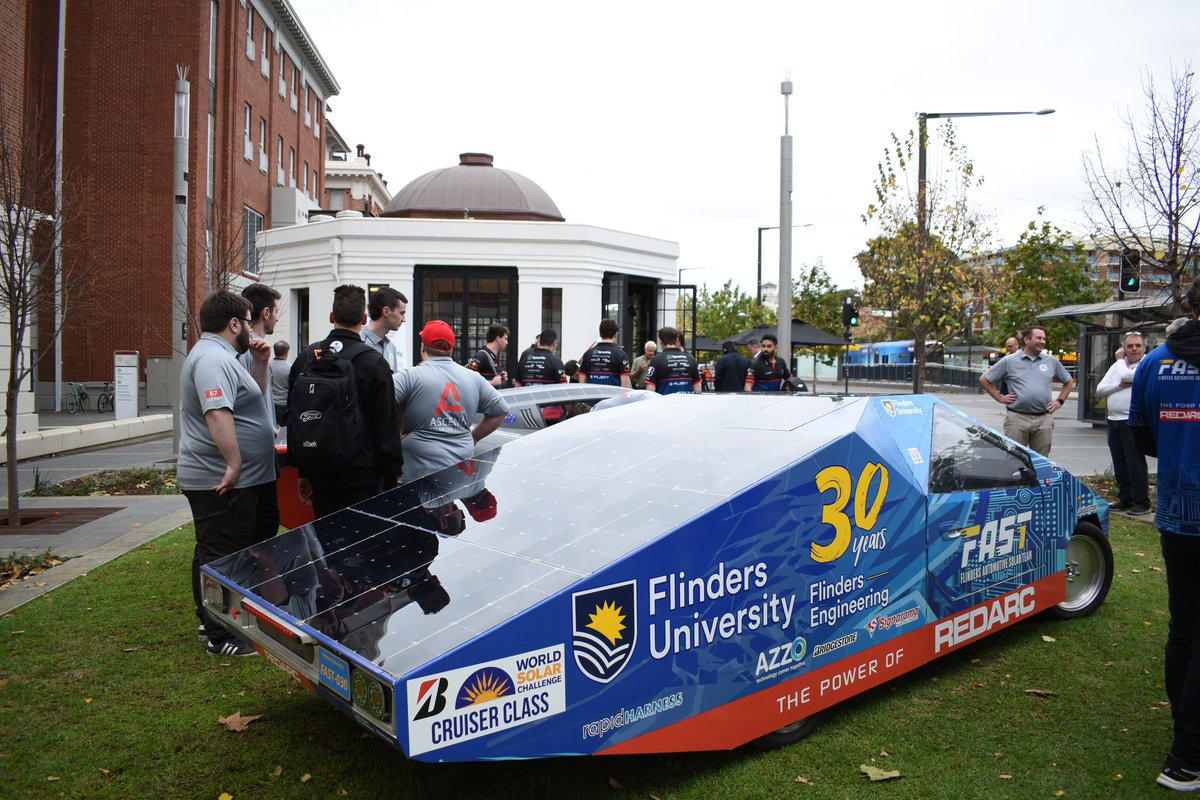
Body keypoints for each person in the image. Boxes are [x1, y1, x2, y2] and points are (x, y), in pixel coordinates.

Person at [1129, 277, 1200, 792]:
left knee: (1185, 626)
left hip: (1177, 507)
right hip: (1182, 508)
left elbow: (1141, 432)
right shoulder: (1152, 360)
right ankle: (1187, 757)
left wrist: (1179, 456)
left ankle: (1184, 735)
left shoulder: (1154, 362)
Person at [178, 290, 275, 657]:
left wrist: (260, 364)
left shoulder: (227, 357)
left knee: (221, 550)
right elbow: (218, 413)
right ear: (234, 323)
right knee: (220, 556)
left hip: (246, 477)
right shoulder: (211, 359)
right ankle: (221, 635)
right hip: (220, 478)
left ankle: (216, 618)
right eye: (249, 322)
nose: (252, 329)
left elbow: (248, 403)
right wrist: (234, 464)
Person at [289, 284, 404, 518]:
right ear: (363, 318)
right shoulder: (374, 362)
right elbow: (386, 425)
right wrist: (391, 476)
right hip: (363, 474)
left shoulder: (307, 357)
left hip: (320, 469)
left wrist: (303, 471)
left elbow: (297, 415)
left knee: (327, 539)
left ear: (332, 317)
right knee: (361, 543)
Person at [393, 320, 509, 483]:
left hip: (415, 475)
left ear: (422, 347)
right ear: (451, 349)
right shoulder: (474, 378)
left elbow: (378, 406)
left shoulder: (408, 376)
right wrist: (473, 438)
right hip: (457, 474)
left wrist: (395, 437)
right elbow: (501, 410)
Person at [979, 324, 1075, 456]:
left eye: (1044, 339)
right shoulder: (1009, 361)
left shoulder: (1051, 361)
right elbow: (984, 379)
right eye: (1038, 338)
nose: (1042, 341)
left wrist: (1060, 401)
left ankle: (1036, 478)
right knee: (1015, 459)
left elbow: (1069, 381)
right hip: (1017, 418)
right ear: (1026, 339)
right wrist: (999, 397)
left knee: (1041, 461)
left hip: (1043, 419)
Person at [238, 283, 281, 563]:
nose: (277, 317)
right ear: (265, 312)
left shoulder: (257, 349)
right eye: (276, 311)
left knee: (265, 524)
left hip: (261, 457)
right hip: (250, 462)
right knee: (256, 529)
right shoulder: (245, 351)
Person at [1095, 330, 1150, 514]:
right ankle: (1125, 498)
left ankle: (1141, 502)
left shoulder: (1146, 363)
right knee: (1119, 462)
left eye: (1138, 345)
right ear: (1124, 348)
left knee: (1134, 462)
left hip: (1132, 421)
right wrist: (1118, 386)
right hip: (1113, 420)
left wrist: (1119, 361)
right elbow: (1100, 389)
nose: (1134, 349)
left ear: (1144, 347)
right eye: (1130, 346)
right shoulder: (1118, 367)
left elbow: (1127, 377)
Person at [360, 286, 407, 373]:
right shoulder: (359, 341)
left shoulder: (391, 347)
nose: (404, 319)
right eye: (401, 313)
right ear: (386, 312)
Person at [645, 326, 701, 395]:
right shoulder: (690, 359)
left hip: (665, 404)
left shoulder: (656, 360)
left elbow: (650, 389)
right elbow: (697, 386)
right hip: (686, 404)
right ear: (676, 340)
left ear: (660, 341)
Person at [579, 319, 632, 387]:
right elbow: (625, 384)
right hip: (612, 396)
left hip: (592, 396)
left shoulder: (587, 354)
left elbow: (582, 383)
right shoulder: (621, 355)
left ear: (600, 333)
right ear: (616, 333)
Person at [269, 340, 290, 425]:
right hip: (284, 406)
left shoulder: (267, 366)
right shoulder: (289, 368)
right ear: (286, 353)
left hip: (270, 405)